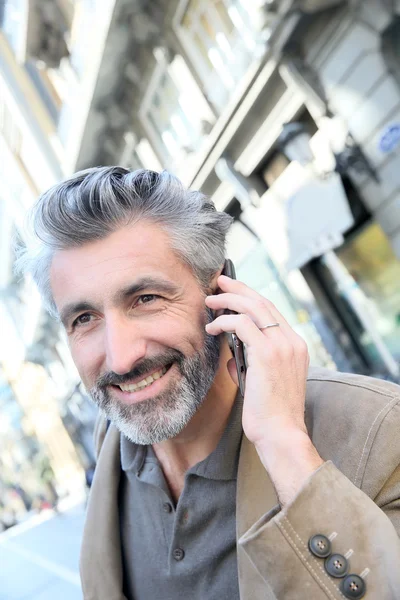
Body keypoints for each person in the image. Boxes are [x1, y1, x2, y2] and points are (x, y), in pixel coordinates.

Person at [17, 167, 400, 600]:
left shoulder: (379, 430)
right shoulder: (111, 443)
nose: (121, 358)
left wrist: (286, 446)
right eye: (84, 318)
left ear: (222, 292)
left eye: (147, 299)